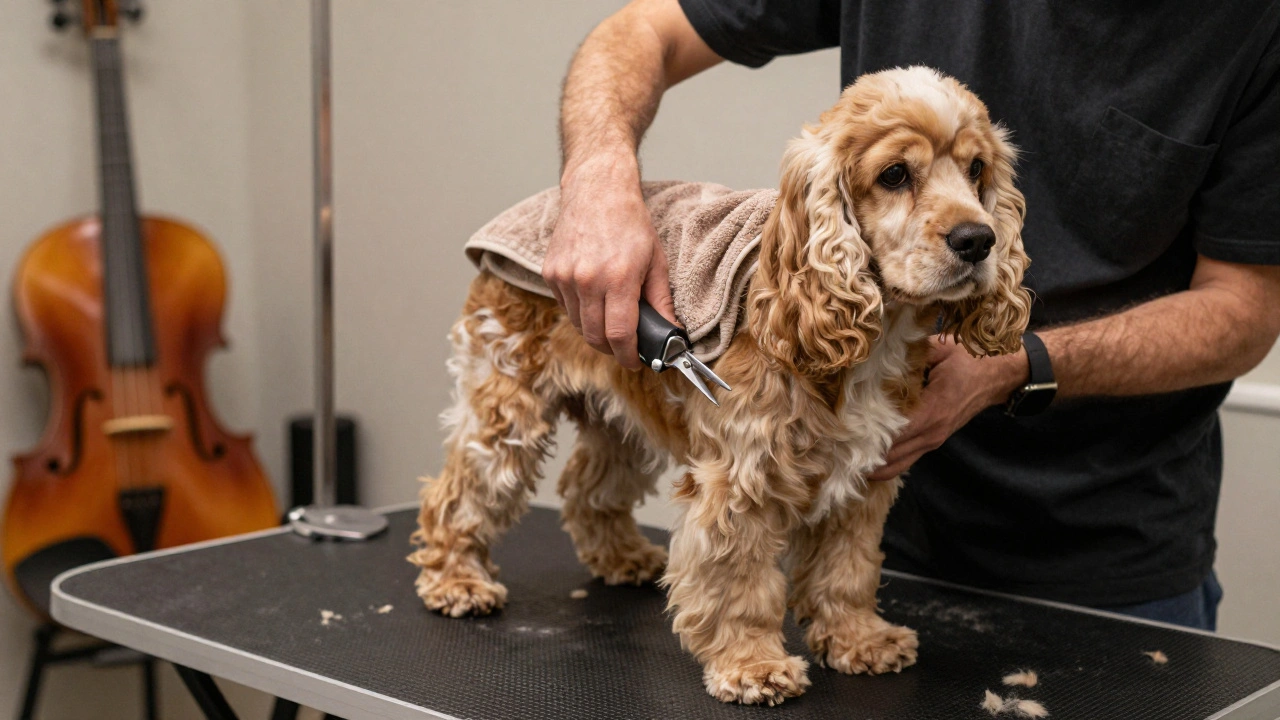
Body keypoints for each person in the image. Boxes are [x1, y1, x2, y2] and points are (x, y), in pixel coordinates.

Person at [541, 0, 1280, 630]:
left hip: (1113, 554)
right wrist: (598, 177)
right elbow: (647, 28)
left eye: (976, 174)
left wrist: (1014, 366)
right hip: (893, 528)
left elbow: (1245, 309)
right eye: (898, 176)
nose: (966, 216)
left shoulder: (1252, 25)